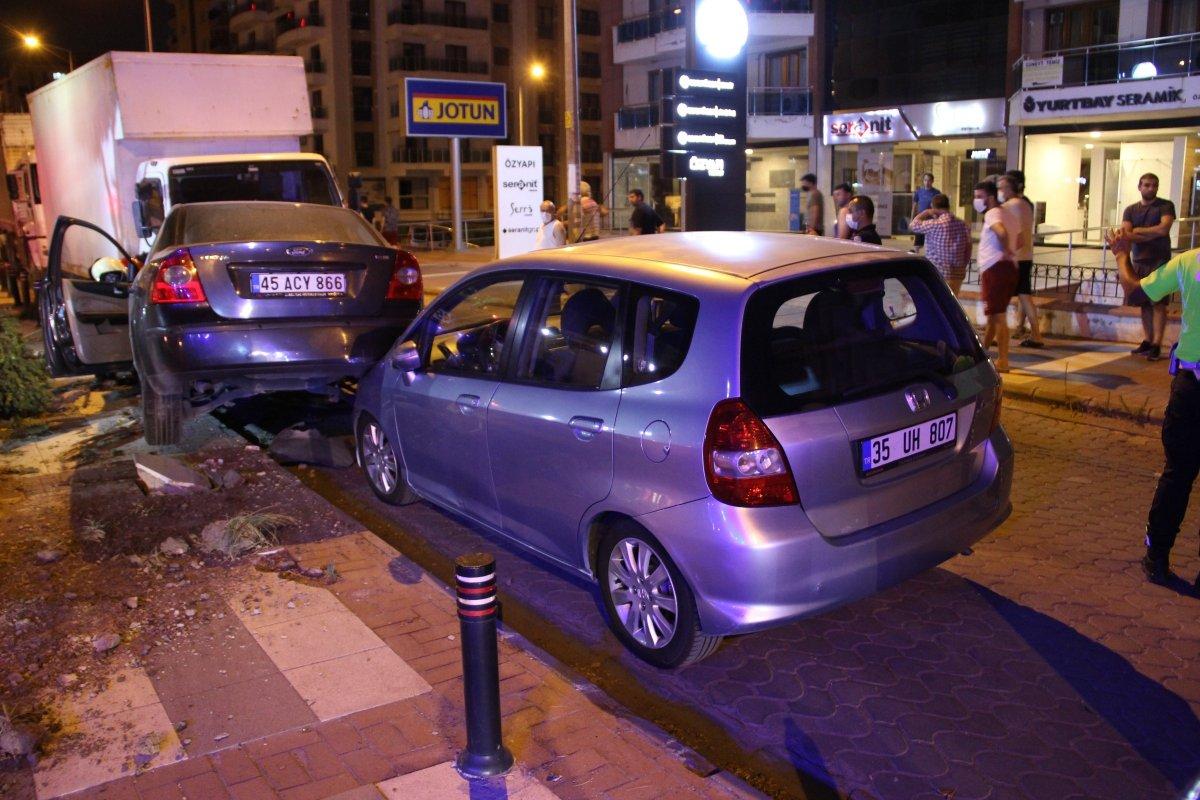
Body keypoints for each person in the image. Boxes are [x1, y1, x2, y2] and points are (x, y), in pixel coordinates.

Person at [1107, 227, 1200, 587]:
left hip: (1192, 388)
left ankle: (1157, 557)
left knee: (1178, 475)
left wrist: (1120, 253)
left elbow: (1134, 293)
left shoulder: (1191, 262)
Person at [1122, 173, 1177, 361]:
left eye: (1154, 185)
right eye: (1146, 185)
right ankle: (1147, 339)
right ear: (1139, 187)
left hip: (1159, 260)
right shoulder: (1130, 210)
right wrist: (1148, 234)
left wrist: (1139, 231)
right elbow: (1126, 234)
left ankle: (1157, 343)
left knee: (1159, 303)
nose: (1150, 188)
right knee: (1144, 303)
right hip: (1139, 261)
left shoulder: (1165, 206)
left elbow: (1164, 229)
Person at [974, 180, 1019, 373]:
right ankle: (982, 352)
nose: (976, 201)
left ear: (990, 198)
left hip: (995, 268)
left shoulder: (993, 213)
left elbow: (1001, 231)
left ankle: (1003, 360)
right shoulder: (1010, 214)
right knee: (993, 314)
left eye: (979, 197)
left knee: (999, 316)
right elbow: (1024, 238)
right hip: (1008, 268)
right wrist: (1011, 251)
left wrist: (1005, 248)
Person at [1000, 172, 1043, 348]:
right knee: (1025, 296)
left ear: (1010, 188)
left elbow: (1015, 236)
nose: (1000, 191)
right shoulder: (1026, 205)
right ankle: (1036, 334)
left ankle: (996, 333)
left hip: (1014, 258)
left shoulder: (1010, 206)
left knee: (999, 296)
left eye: (1002, 188)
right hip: (1026, 256)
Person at [909, 193, 972, 296]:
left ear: (933, 207)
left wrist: (925, 212)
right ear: (948, 206)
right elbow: (968, 248)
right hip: (958, 273)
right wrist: (963, 265)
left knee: (939, 303)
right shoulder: (963, 224)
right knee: (953, 302)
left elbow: (912, 225)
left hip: (939, 272)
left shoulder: (935, 224)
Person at [910, 172, 939, 253]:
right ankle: (916, 256)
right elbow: (914, 205)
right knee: (918, 241)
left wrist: (937, 218)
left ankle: (930, 256)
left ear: (932, 181)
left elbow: (938, 207)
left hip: (931, 220)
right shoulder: (919, 192)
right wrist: (912, 218)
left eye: (929, 180)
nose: (927, 182)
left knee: (930, 241)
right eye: (925, 180)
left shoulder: (936, 193)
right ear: (923, 181)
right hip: (920, 219)